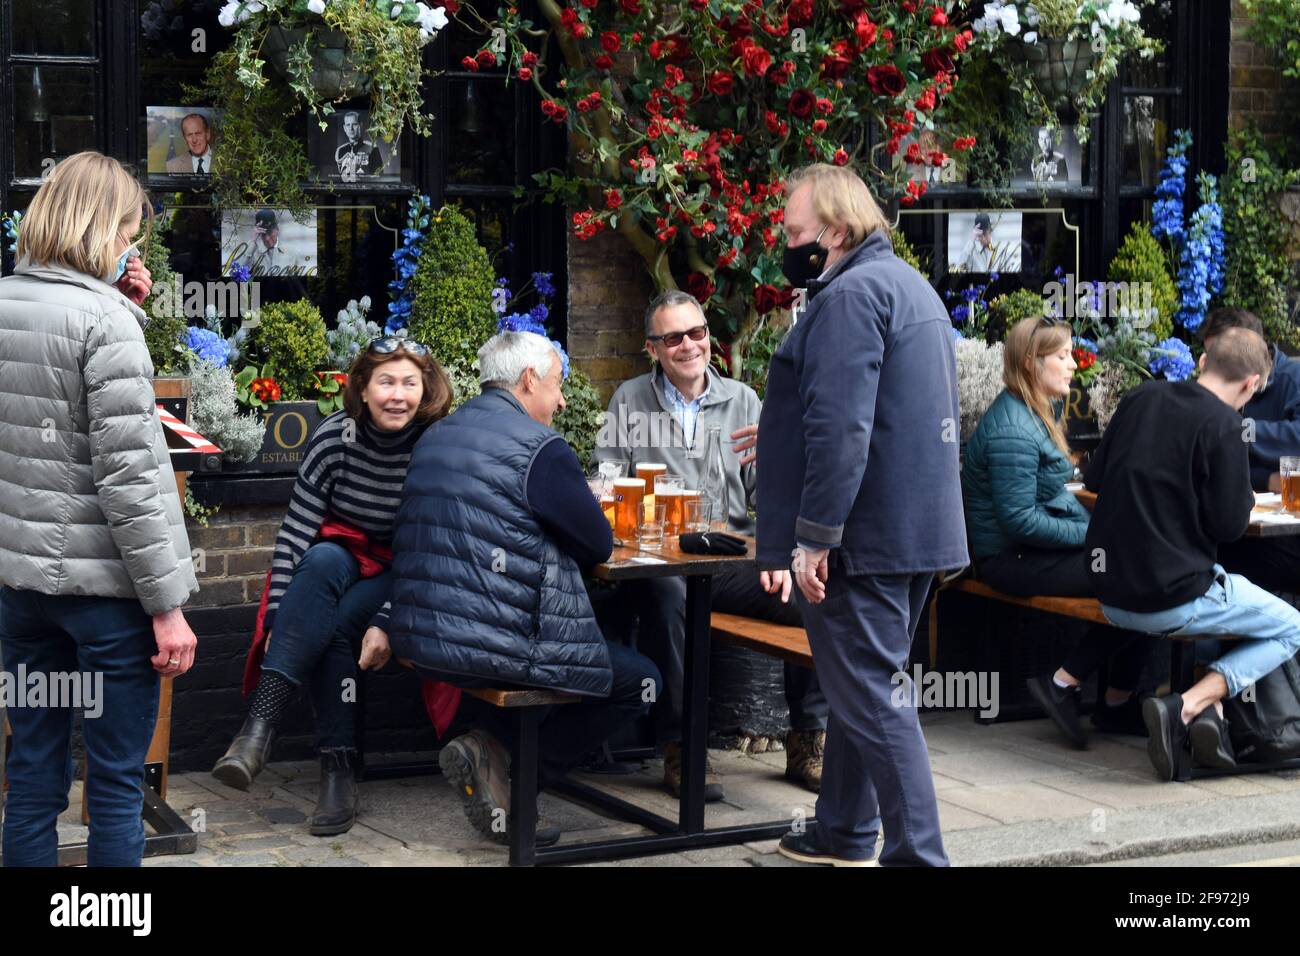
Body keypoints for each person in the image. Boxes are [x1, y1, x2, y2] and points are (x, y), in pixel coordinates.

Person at [757, 163, 968, 866]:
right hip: (912, 532)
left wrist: (814, 538)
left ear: (837, 231)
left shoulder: (848, 297)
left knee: (875, 697)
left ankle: (921, 857)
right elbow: (888, 418)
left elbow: (843, 428)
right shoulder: (908, 286)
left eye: (794, 232)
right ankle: (845, 831)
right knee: (864, 685)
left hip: (861, 539)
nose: (785, 244)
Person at [0, 151, 199, 867]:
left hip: (21, 596)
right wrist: (168, 605)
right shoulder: (103, 324)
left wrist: (124, 306)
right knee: (115, 786)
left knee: (30, 777)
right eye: (126, 231)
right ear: (99, 226)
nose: (130, 246)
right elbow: (131, 480)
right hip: (108, 601)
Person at [388, 331, 661, 848]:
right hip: (489, 643)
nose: (561, 400)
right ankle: (511, 772)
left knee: (571, 630)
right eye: (557, 385)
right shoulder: (541, 447)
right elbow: (598, 545)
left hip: (421, 634)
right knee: (640, 681)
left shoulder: (437, 434)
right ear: (529, 379)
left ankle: (489, 747)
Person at [212, 337, 452, 836]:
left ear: (425, 389)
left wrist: (388, 621)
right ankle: (259, 730)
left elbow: (429, 547)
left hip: (406, 566)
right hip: (342, 552)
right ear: (362, 389)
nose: (398, 395)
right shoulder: (333, 438)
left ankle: (336, 768)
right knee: (319, 558)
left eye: (410, 383)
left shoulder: (435, 446)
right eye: (385, 382)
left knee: (338, 628)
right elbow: (296, 533)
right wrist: (278, 616)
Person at [594, 289, 828, 799]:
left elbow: (772, 490)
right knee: (670, 598)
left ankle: (807, 739)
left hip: (729, 559)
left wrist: (779, 555)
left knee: (810, 592)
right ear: (652, 348)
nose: (688, 345)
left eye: (696, 332)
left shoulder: (743, 400)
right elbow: (608, 486)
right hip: (658, 563)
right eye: (673, 337)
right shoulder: (629, 401)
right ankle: (683, 747)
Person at [1083, 327, 1300, 779]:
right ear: (1252, 384)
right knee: (1291, 628)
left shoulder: (1141, 397)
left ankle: (1209, 715)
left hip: (1107, 594)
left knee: (1238, 596)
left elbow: (1095, 478)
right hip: (1171, 599)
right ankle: (1189, 704)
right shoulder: (1225, 425)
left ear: (1203, 362)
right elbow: (1229, 526)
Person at [962, 316, 1154, 748]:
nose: (1073, 365)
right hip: (1009, 560)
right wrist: (1092, 538)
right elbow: (1018, 520)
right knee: (1141, 580)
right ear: (1032, 363)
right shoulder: (1014, 427)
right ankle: (1067, 685)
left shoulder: (1034, 411)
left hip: (1030, 553)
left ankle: (1111, 700)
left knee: (1147, 572)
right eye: (1063, 356)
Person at [1202, 308, 1300, 594]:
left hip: (1282, 538)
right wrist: (1263, 476)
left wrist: (1237, 429)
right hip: (1239, 526)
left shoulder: (1292, 378)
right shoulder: (1217, 387)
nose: (1212, 368)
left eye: (1220, 356)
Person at [335, 111, 385, 179]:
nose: (351, 128)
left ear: (360, 125)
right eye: (348, 125)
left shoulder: (372, 148)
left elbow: (379, 176)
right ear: (344, 128)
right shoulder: (340, 150)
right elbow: (338, 177)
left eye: (354, 124)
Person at [237, 209, 285, 276]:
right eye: (263, 234)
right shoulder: (253, 253)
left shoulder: (290, 252)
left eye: (270, 232)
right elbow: (237, 273)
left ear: (277, 229)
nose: (267, 239)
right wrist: (253, 240)